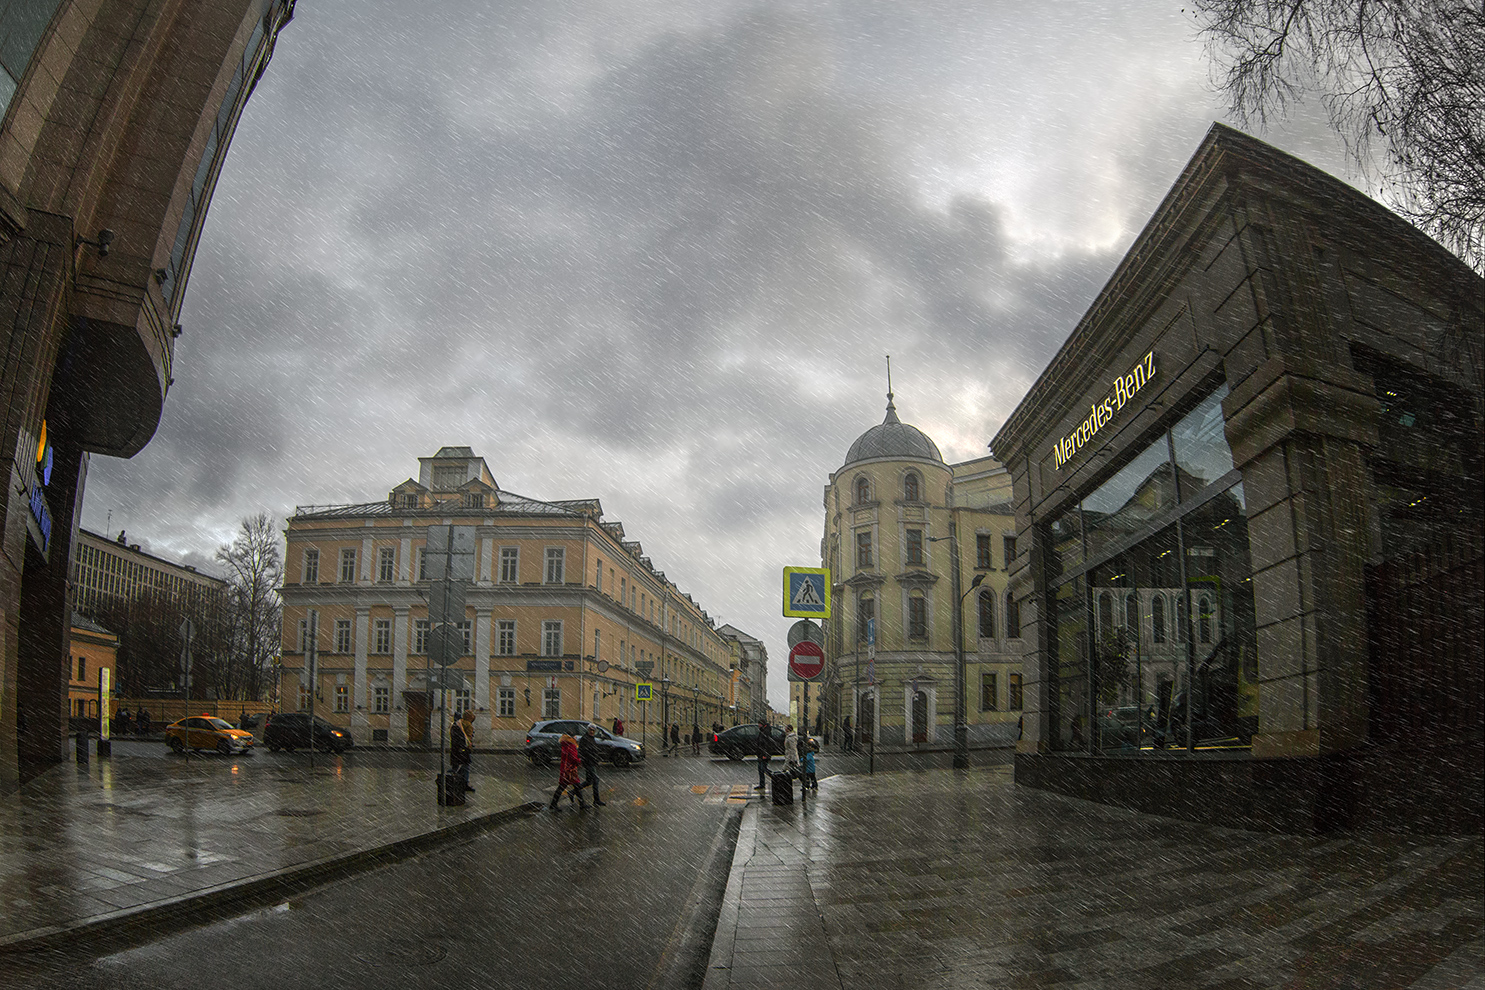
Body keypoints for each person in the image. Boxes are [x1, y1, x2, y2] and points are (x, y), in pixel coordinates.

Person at [549, 733, 587, 810]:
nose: (576, 737)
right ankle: (582, 804)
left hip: (565, 769)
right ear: (571, 737)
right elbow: (573, 758)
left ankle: (553, 804)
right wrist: (580, 761)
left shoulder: (565, 745)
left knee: (568, 786)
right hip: (570, 770)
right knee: (574, 786)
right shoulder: (571, 746)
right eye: (575, 736)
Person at [578, 724, 606, 806]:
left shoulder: (591, 738)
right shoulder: (585, 739)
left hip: (592, 762)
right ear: (588, 730)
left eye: (593, 730)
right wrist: (584, 760)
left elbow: (593, 750)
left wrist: (596, 758)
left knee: (589, 781)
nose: (591, 731)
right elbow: (584, 751)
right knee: (596, 780)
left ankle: (572, 792)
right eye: (590, 730)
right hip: (589, 762)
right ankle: (596, 800)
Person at [450, 709, 474, 793]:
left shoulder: (455, 725)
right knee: (465, 766)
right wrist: (467, 745)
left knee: (457, 766)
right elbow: (467, 737)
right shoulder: (467, 725)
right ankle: (463, 783)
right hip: (463, 749)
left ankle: (456, 781)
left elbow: (454, 737)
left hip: (455, 749)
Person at [754, 719, 773, 790]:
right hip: (761, 753)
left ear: (762, 724)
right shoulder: (763, 731)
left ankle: (774, 776)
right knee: (761, 769)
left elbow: (767, 745)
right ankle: (762, 784)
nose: (758, 726)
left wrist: (765, 754)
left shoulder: (766, 732)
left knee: (763, 769)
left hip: (763, 754)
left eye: (759, 724)